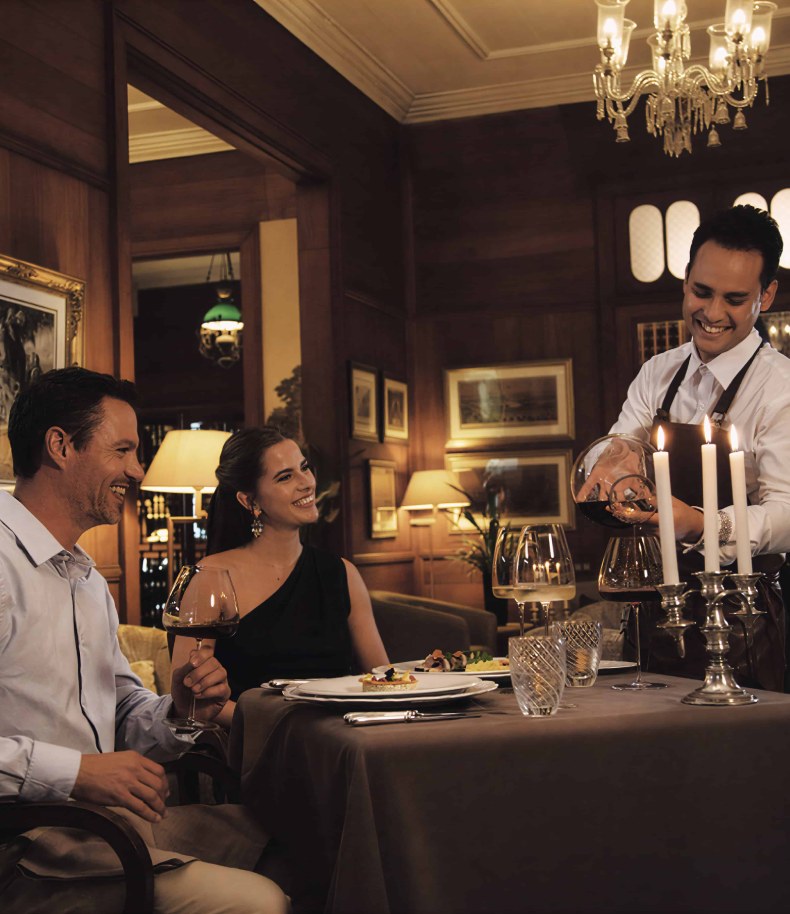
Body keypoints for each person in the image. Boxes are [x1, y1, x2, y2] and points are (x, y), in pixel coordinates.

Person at [0, 367, 288, 914]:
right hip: (25, 851)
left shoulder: (85, 578)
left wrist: (179, 708)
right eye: (124, 451)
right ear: (60, 446)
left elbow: (124, 712)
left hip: (102, 829)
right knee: (258, 901)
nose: (137, 470)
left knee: (309, 842)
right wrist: (77, 772)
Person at [597, 205, 790, 689]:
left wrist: (703, 524)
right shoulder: (657, 373)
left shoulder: (780, 388)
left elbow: (787, 513)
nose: (712, 313)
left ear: (766, 295)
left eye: (734, 299)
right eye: (702, 292)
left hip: (746, 617)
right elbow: (620, 447)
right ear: (685, 281)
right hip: (653, 606)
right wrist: (615, 461)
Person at [170, 427, 389, 722]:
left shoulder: (342, 573)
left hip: (341, 735)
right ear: (249, 501)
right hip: (255, 740)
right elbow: (191, 699)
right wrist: (282, 729)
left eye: (304, 468)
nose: (307, 483)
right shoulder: (211, 577)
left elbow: (383, 678)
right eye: (285, 477)